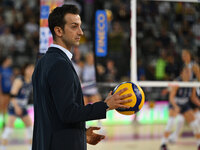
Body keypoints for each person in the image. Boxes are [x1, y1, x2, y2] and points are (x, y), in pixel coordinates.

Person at [32, 4, 132, 150]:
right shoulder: (60, 64)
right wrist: (105, 106)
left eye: (80, 26)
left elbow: (53, 114)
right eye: (74, 26)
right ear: (58, 30)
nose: (81, 32)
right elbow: (68, 113)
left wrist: (81, 134)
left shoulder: (42, 63)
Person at [160, 67, 200, 150]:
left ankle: (199, 144)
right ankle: (163, 144)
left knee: (195, 124)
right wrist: (175, 106)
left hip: (185, 104)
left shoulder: (192, 83)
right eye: (186, 72)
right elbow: (171, 97)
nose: (188, 74)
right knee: (171, 122)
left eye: (189, 72)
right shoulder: (177, 82)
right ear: (181, 73)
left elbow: (193, 97)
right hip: (175, 102)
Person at [1, 63, 34, 150]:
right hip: (14, 107)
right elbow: (12, 95)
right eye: (29, 68)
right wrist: (16, 107)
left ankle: (30, 148)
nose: (31, 70)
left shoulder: (31, 80)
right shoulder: (20, 80)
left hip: (23, 107)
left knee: (30, 129)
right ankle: (2, 147)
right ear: (24, 70)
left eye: (32, 69)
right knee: (8, 130)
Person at [0, 56, 13, 128]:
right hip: (2, 91)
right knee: (2, 107)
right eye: (9, 60)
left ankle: (7, 122)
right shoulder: (1, 69)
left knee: (7, 107)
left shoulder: (9, 69)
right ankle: (3, 121)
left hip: (9, 91)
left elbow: (11, 79)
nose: (10, 61)